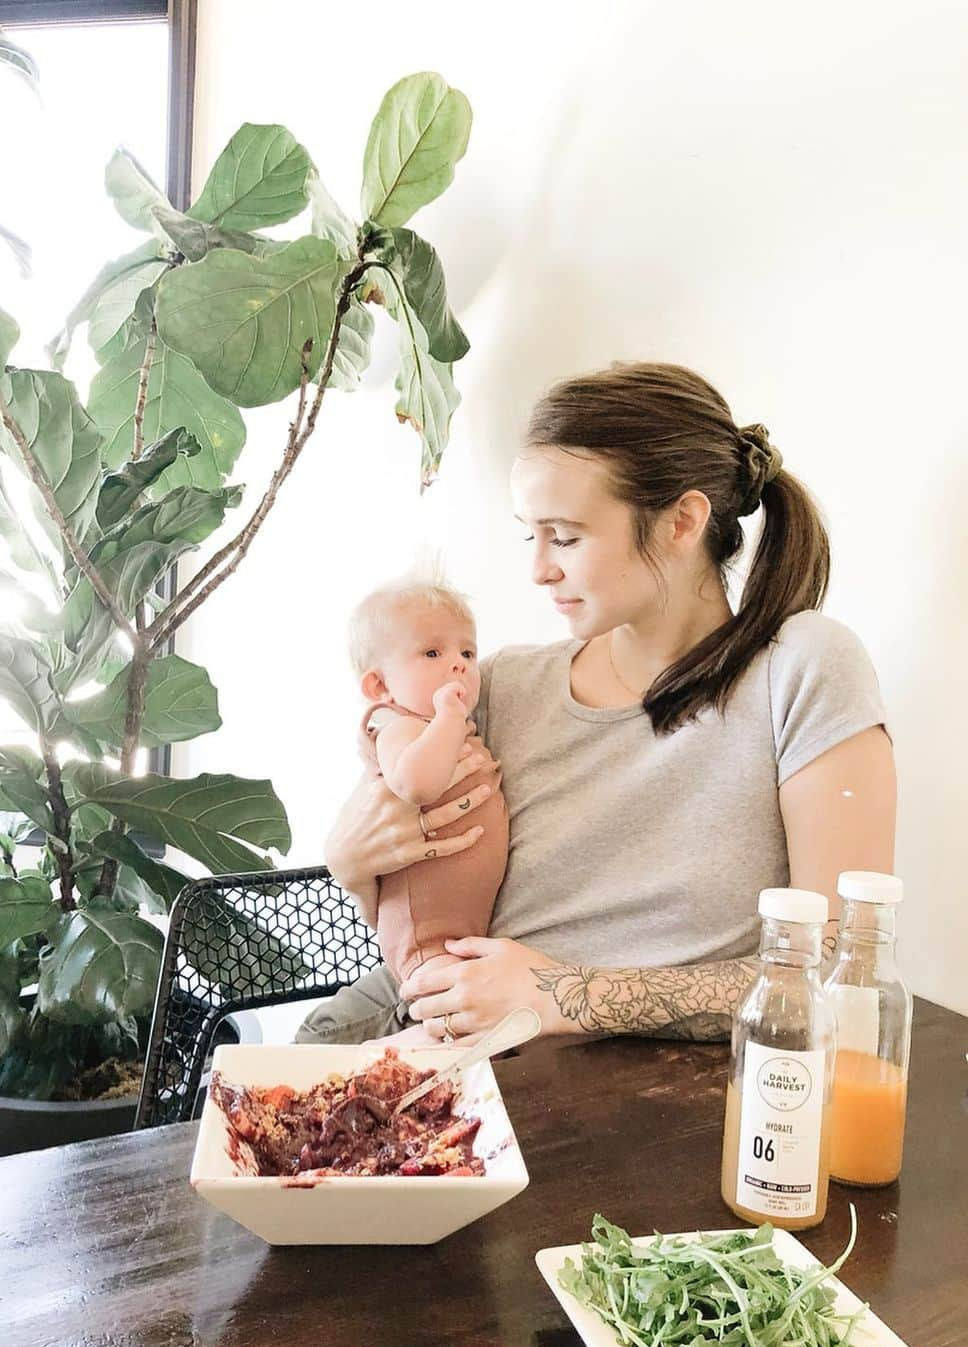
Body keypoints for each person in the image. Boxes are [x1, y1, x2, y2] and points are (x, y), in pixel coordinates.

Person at [296, 362, 895, 1047]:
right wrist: (347, 859)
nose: (539, 568)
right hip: (436, 1039)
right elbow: (403, 880)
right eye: (532, 535)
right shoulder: (502, 685)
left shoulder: (801, 670)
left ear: (683, 521)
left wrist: (564, 994)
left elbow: (841, 979)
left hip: (618, 1099)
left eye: (567, 536)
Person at [344, 580, 508, 1030]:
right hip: (424, 935)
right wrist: (451, 720)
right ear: (380, 685)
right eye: (432, 654)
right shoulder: (398, 726)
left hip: (465, 929)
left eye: (468, 654)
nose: (458, 663)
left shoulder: (443, 726)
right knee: (445, 1015)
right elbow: (417, 783)